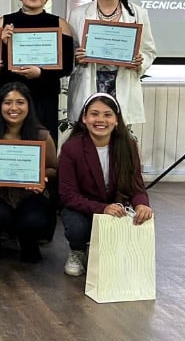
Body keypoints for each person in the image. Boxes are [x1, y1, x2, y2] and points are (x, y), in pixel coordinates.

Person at [58, 92, 153, 276]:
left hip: (116, 205)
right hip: (82, 207)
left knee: (141, 217)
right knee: (77, 228)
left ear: (116, 120)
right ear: (84, 118)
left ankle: (112, 252)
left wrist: (142, 204)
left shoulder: (128, 145)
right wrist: (102, 208)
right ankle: (77, 250)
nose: (100, 120)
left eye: (107, 115)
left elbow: (136, 185)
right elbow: (68, 195)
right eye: (94, 114)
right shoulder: (71, 148)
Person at [67, 0, 157, 127]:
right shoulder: (77, 14)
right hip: (89, 82)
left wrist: (140, 60)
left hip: (122, 83)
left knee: (118, 136)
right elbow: (69, 52)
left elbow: (149, 50)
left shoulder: (138, 13)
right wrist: (76, 57)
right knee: (87, 135)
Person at [0, 0, 74, 144]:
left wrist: (41, 73)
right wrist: (1, 42)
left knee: (42, 144)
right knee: (3, 143)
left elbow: (67, 66)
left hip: (44, 95)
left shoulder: (60, 24)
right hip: (8, 94)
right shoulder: (3, 22)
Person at [0, 82, 57, 263]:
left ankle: (29, 242)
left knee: (33, 219)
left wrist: (40, 177)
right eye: (7, 102)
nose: (13, 108)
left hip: (30, 195)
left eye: (20, 102)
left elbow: (53, 169)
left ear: (29, 105)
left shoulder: (42, 135)